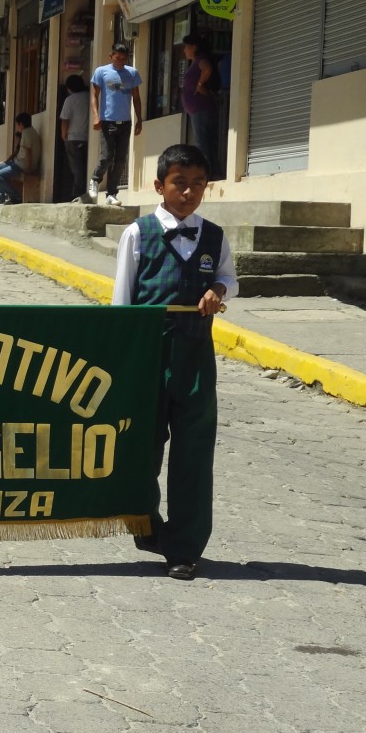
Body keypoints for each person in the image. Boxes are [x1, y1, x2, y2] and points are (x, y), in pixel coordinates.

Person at [112, 143, 237, 581]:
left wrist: (216, 293)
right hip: (148, 351)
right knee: (142, 443)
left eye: (198, 184)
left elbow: (227, 277)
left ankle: (183, 548)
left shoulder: (215, 236)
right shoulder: (138, 233)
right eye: (179, 183)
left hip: (195, 354)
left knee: (194, 449)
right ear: (159, 186)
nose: (189, 192)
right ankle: (145, 521)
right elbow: (122, 301)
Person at [88, 43, 143, 206]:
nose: (120, 61)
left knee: (120, 160)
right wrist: (96, 116)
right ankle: (95, 179)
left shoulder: (132, 73)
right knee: (107, 156)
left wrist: (139, 119)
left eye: (124, 59)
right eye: (117, 58)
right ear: (111, 56)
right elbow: (94, 96)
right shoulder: (101, 72)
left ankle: (112, 194)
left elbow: (137, 98)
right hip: (107, 121)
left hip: (125, 122)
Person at [181, 34, 222, 180]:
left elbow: (207, 69)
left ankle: (207, 174)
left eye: (187, 47)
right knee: (207, 141)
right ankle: (212, 172)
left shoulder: (201, 59)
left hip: (201, 107)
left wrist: (199, 84)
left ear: (194, 47)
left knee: (203, 142)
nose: (185, 50)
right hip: (198, 109)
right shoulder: (194, 62)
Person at [0, 112, 40, 205]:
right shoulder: (27, 132)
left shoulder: (27, 133)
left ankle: (16, 197)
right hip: (16, 162)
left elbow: (28, 153)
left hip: (22, 165)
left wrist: (28, 169)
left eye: (17, 125)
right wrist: (6, 161)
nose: (17, 127)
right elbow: (18, 151)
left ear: (21, 124)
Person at [59, 74, 90, 202]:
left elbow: (65, 120)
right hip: (88, 137)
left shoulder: (70, 99)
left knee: (76, 168)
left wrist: (64, 135)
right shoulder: (89, 96)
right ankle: (84, 192)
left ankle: (77, 194)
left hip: (73, 138)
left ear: (69, 88)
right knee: (85, 166)